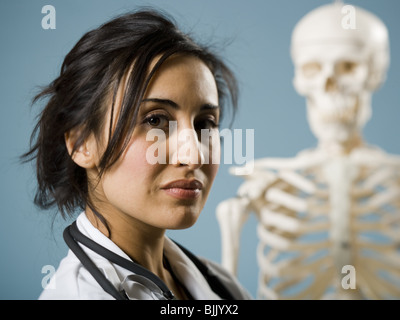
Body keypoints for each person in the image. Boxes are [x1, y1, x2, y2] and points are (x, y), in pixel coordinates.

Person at [22, 8, 251, 300]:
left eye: (204, 124)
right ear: (81, 144)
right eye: (155, 120)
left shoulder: (222, 287)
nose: (194, 155)